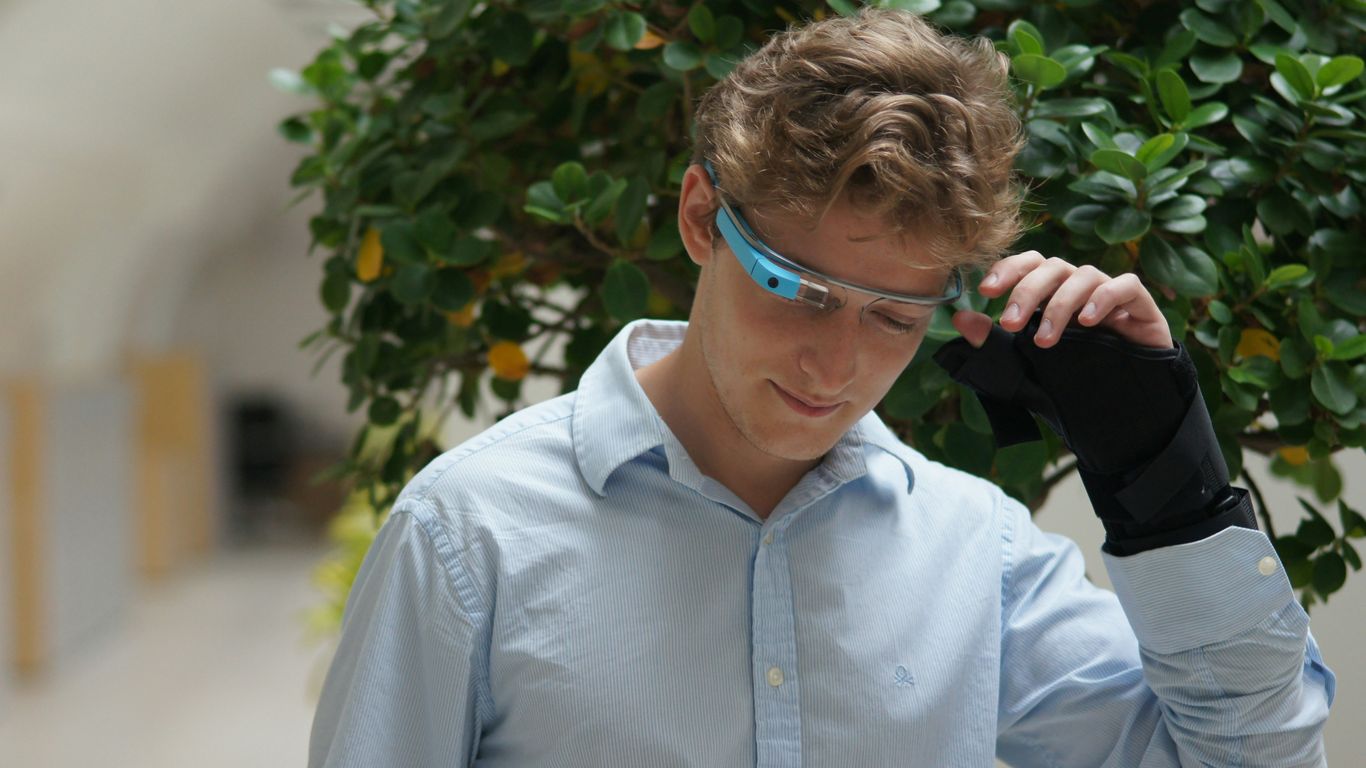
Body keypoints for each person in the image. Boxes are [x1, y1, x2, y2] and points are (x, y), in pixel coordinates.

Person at [308, 9, 1335, 767]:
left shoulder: (973, 556)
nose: (834, 367)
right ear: (702, 217)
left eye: (894, 317)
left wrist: (1167, 482)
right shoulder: (470, 536)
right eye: (799, 291)